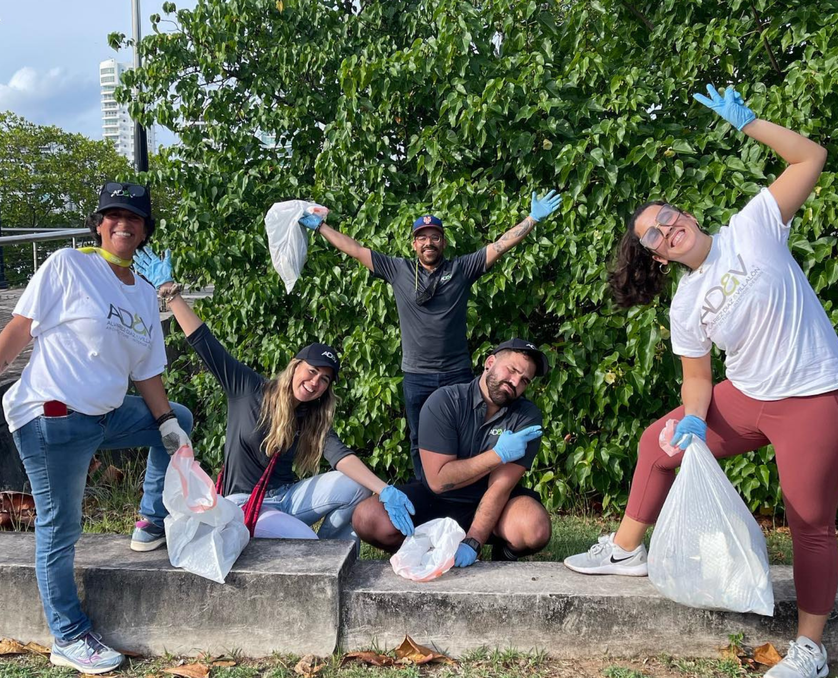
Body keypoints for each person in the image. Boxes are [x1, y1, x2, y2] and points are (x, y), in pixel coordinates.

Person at [563, 84, 838, 678]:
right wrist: (694, 418)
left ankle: (810, 648)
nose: (666, 228)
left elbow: (811, 158)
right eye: (652, 233)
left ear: (687, 216)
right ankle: (625, 550)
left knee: (809, 522)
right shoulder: (685, 306)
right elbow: (697, 379)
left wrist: (750, 123)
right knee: (658, 442)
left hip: (814, 397)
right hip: (747, 399)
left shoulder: (753, 226)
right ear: (656, 257)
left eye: (668, 217)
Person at [0, 182, 194, 675]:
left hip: (106, 415)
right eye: (112, 215)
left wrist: (167, 423)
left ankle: (148, 523)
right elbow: (22, 326)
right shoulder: (69, 265)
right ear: (98, 224)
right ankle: (67, 636)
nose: (122, 224)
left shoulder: (145, 292)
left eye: (133, 217)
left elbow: (147, 372)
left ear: (146, 229)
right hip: (54, 418)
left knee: (180, 420)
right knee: (61, 526)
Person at [132, 247, 417, 544]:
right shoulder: (249, 388)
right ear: (295, 367)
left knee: (356, 487)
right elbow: (205, 343)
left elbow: (341, 457)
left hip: (286, 499)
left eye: (324, 380)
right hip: (242, 503)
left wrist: (383, 489)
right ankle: (320, 555)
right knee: (304, 541)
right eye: (311, 371)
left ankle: (332, 554)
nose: (315, 382)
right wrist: (170, 293)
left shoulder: (311, 416)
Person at [303, 192, 562, 482]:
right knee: (419, 439)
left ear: (444, 242)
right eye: (422, 237)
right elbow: (355, 249)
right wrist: (321, 227)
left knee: (464, 437)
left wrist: (532, 219)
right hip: (417, 375)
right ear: (414, 244)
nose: (429, 242)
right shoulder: (397, 269)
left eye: (435, 237)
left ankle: (461, 493)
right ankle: (427, 492)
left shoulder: (461, 269)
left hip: (456, 374)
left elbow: (499, 246)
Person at [353, 339, 551, 566]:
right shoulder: (445, 401)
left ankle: (502, 557)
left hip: (492, 501)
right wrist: (498, 455)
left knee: (535, 527)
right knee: (367, 517)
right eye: (512, 370)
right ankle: (423, 552)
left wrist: (473, 541)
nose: (515, 381)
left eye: (524, 380)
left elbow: (500, 486)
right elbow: (438, 481)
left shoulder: (527, 417)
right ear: (490, 362)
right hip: (436, 500)